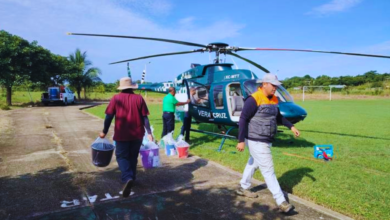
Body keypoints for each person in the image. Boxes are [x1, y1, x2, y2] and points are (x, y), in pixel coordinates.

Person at [235, 73, 300, 213]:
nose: (275, 88)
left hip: (266, 138)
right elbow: (243, 119)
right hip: (256, 139)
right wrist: (241, 141)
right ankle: (281, 200)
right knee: (268, 170)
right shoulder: (253, 99)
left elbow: (278, 116)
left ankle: (243, 186)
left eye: (276, 86)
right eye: (273, 85)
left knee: (253, 163)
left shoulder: (274, 99)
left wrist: (291, 126)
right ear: (264, 84)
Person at [99, 77, 153, 198]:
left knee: (122, 156)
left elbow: (109, 117)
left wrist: (104, 131)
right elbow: (145, 118)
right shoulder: (139, 98)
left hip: (122, 134)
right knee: (133, 156)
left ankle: (127, 177)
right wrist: (149, 132)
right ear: (131, 86)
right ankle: (132, 177)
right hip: (138, 134)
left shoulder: (116, 98)